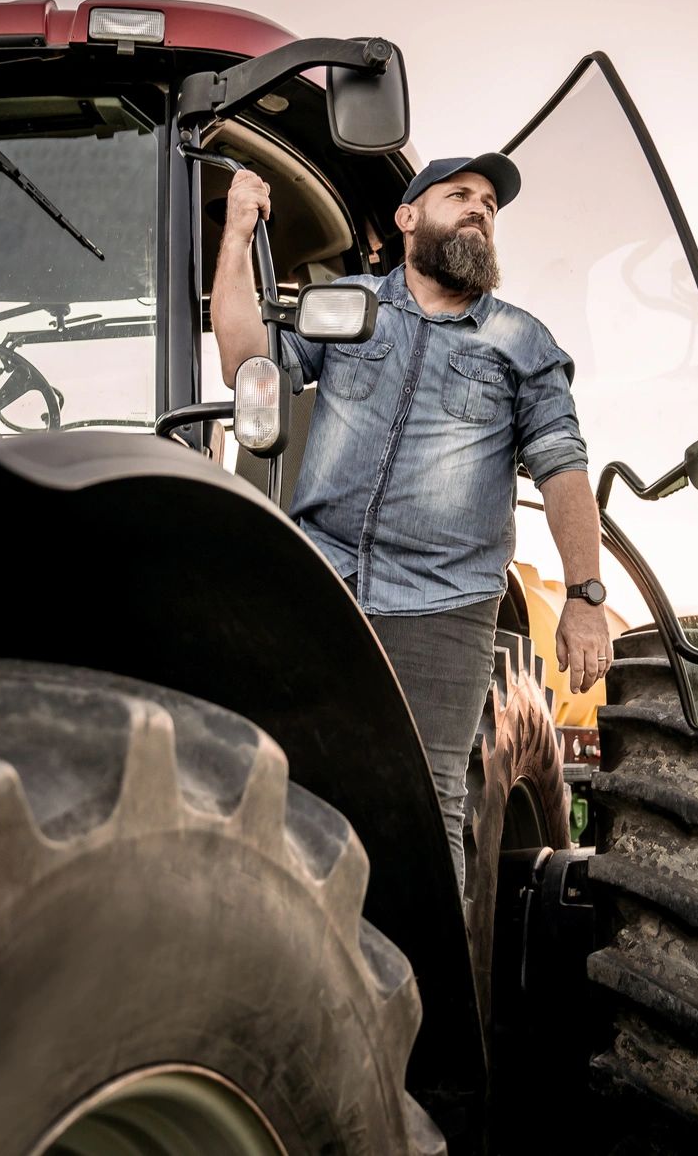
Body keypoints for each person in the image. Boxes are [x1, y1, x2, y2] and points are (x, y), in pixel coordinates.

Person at [212, 153, 613, 895]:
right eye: (459, 195)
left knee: (427, 808)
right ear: (406, 219)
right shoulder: (345, 306)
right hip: (324, 581)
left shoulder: (521, 342)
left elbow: (562, 469)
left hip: (443, 604)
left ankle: (435, 1004)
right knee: (289, 787)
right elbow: (250, 366)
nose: (478, 210)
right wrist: (236, 237)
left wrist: (585, 599)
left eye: (489, 204)